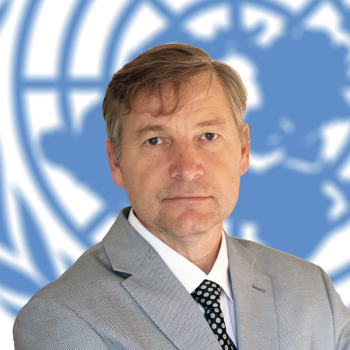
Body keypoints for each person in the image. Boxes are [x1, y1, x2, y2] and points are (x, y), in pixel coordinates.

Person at [13, 42, 350, 350]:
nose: (187, 168)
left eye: (208, 135)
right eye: (155, 141)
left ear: (244, 149)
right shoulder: (61, 319)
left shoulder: (312, 290)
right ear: (116, 161)